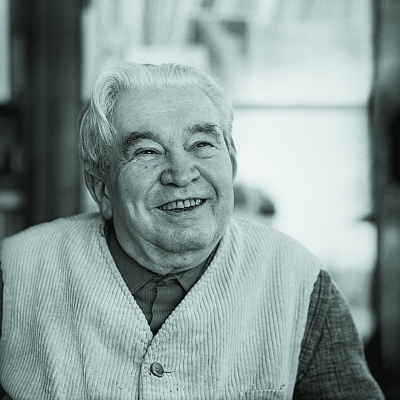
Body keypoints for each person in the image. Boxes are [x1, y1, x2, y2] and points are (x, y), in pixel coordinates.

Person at [0, 63, 384, 399]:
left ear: (231, 165)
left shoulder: (299, 280)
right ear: (102, 188)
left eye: (201, 144)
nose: (182, 174)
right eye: (147, 151)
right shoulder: (14, 274)